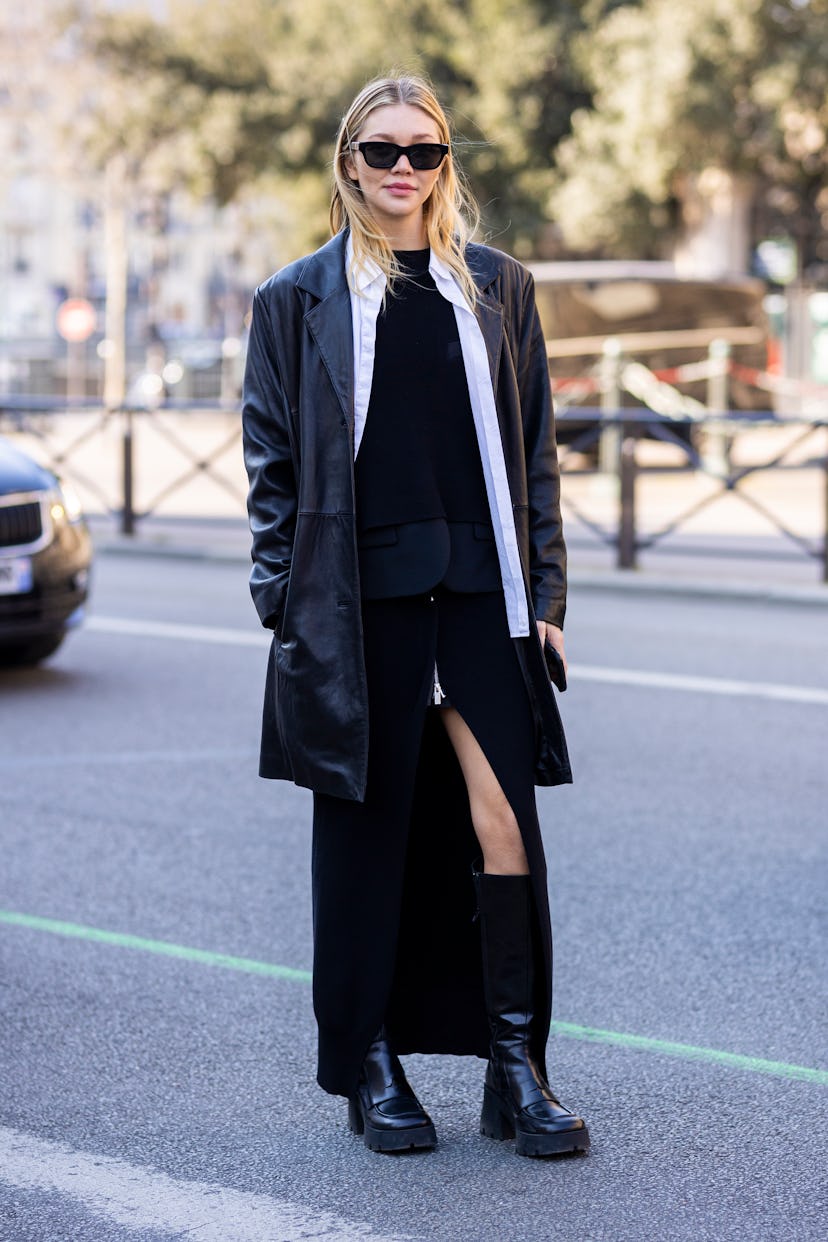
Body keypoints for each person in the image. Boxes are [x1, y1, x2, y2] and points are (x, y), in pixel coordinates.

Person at [242, 74, 589, 1159]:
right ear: (348, 162)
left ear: (446, 164)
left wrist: (548, 596)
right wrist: (284, 605)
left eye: (425, 152)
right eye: (384, 151)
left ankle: (517, 1065)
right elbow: (272, 467)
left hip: (484, 599)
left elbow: (533, 458)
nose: (404, 170)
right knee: (369, 835)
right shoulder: (295, 298)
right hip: (357, 601)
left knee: (505, 826)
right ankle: (370, 1063)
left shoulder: (498, 287)